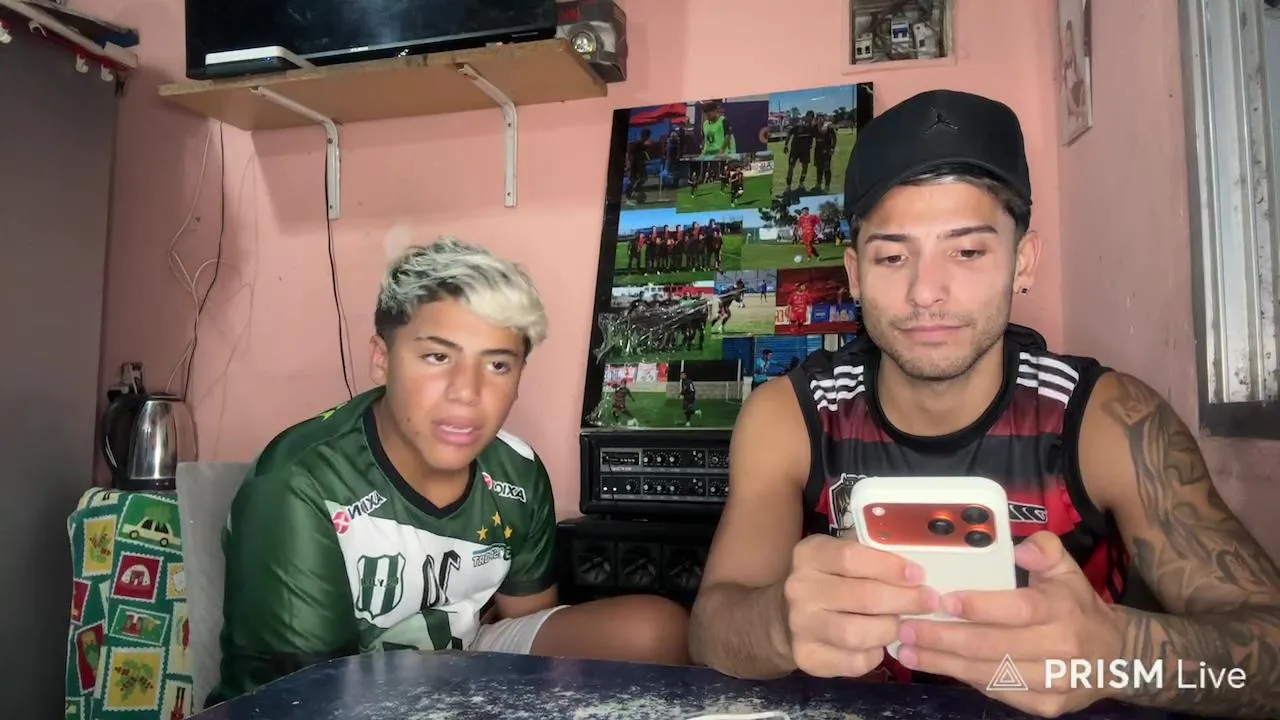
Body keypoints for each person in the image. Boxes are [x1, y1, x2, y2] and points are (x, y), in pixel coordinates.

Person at [688, 89, 1280, 719]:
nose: (926, 291)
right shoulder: (791, 416)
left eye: (968, 251)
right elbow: (710, 632)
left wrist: (1115, 653)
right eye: (893, 255)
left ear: (1022, 263)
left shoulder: (1109, 421)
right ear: (856, 274)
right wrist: (779, 624)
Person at [209, 239, 689, 706]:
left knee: (654, 632)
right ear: (382, 360)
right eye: (438, 357)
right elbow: (304, 699)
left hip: (460, 668)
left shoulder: (516, 471)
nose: (467, 391)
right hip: (325, 696)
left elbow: (533, 641)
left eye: (497, 364)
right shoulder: (301, 482)